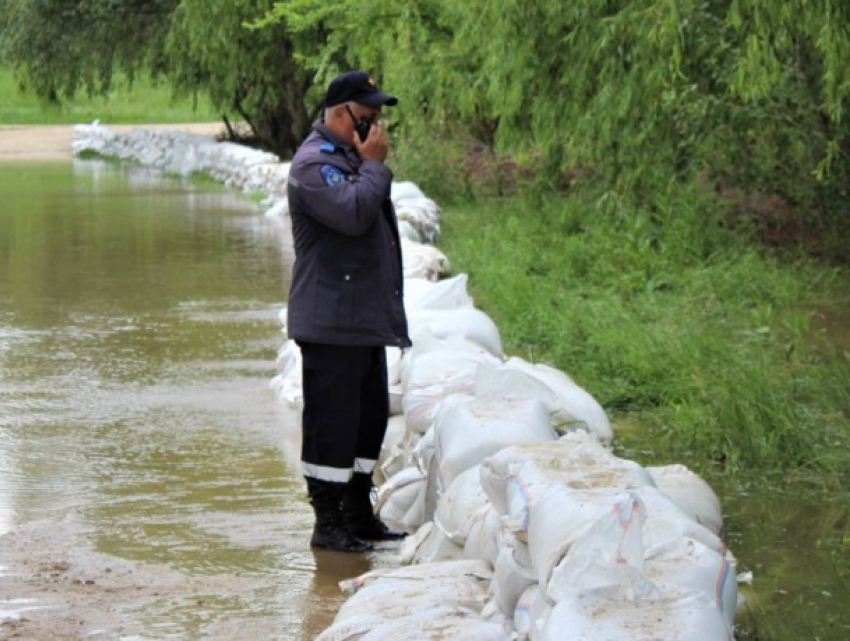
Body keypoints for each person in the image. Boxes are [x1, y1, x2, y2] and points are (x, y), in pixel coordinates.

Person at [286, 70, 411, 552]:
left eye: (379, 120)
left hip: (360, 321)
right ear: (340, 114)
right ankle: (328, 523)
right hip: (330, 322)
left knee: (367, 423)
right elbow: (355, 214)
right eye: (367, 119)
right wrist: (375, 166)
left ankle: (358, 514)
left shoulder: (349, 157)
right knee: (331, 427)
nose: (376, 130)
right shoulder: (314, 165)